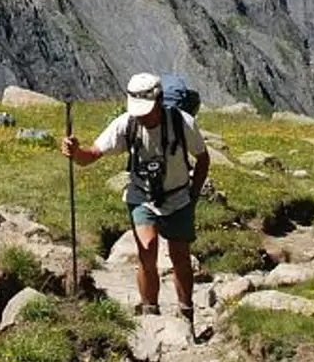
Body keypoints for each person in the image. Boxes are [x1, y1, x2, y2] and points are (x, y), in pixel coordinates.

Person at [62, 72, 209, 319]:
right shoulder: (126, 123)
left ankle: (186, 310)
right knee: (147, 250)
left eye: (147, 110)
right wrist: (75, 152)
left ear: (160, 101)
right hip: (142, 195)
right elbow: (92, 155)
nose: (142, 116)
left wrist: (193, 194)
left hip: (178, 196)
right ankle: (150, 310)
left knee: (181, 257)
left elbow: (203, 158)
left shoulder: (183, 123)